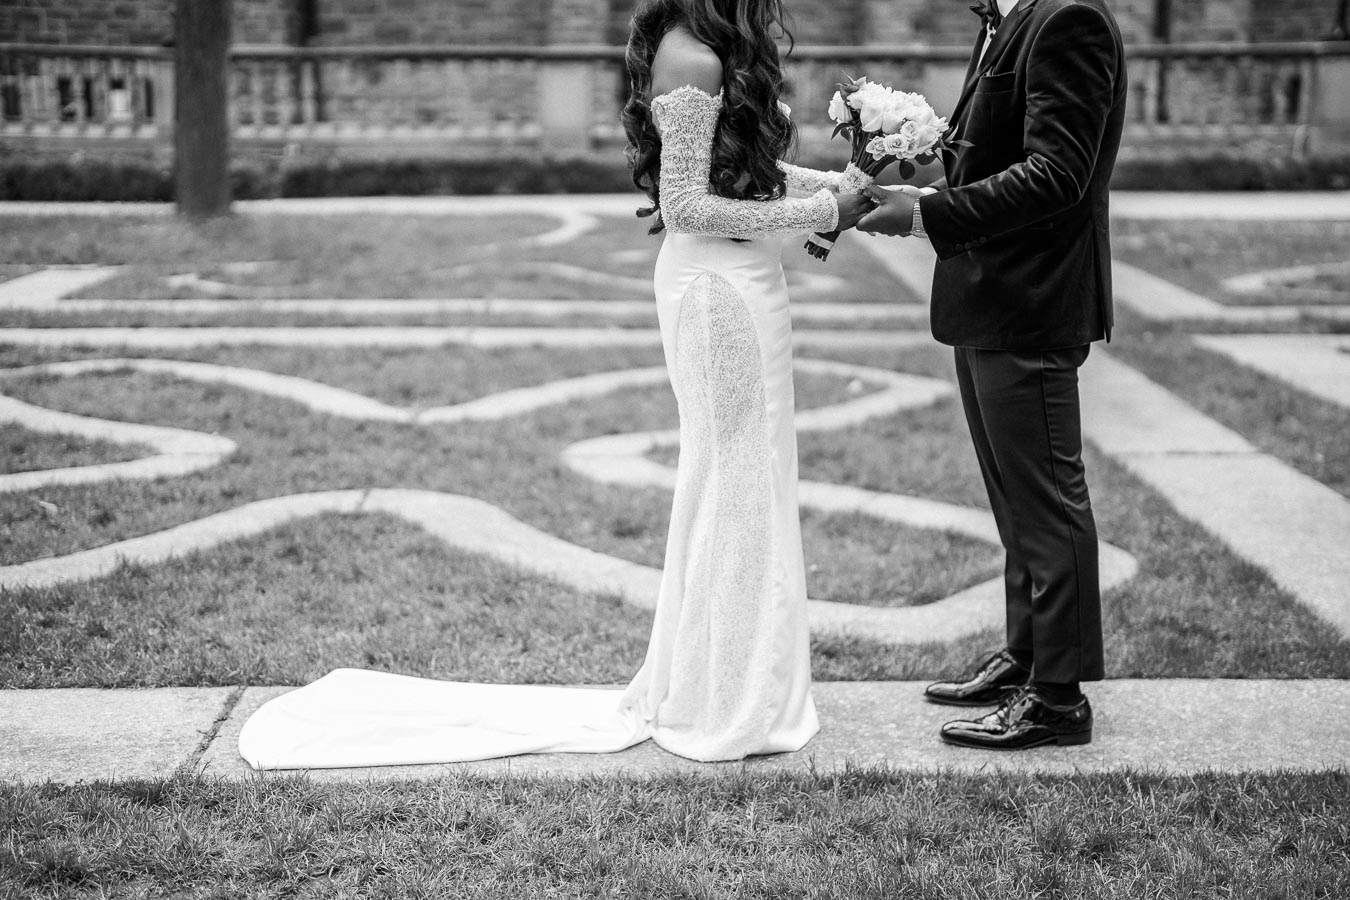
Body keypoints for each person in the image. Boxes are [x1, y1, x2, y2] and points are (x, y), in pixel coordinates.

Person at [237, 0, 872, 769]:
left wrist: (838, 187)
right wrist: (823, 209)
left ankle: (735, 684)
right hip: (718, 293)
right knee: (734, 483)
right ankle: (722, 698)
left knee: (749, 481)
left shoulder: (714, 44)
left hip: (747, 280)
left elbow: (743, 178)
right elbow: (685, 206)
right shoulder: (692, 55)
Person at [856, 0, 1126, 750]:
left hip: (1032, 298)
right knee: (1014, 500)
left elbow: (1057, 174)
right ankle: (1027, 656)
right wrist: (913, 169)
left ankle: (1058, 698)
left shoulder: (1070, 18)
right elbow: (994, 153)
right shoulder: (1009, 18)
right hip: (989, 295)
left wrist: (927, 215)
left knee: (1048, 501)